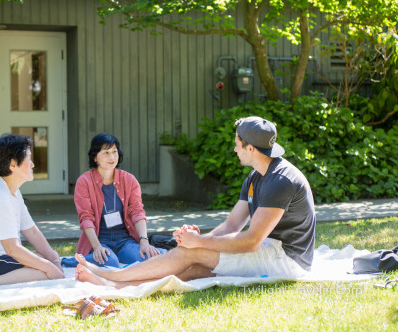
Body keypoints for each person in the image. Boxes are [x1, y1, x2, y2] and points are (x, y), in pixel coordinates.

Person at [75, 116, 316, 288]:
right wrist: (200, 240)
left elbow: (252, 241)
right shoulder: (255, 177)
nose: (234, 149)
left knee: (190, 253)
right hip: (269, 250)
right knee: (194, 270)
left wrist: (199, 242)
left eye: (237, 143)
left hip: (286, 260)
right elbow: (232, 226)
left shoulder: (281, 180)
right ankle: (112, 283)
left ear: (250, 148)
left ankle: (114, 277)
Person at [0, 134, 64, 291]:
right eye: (28, 159)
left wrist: (54, 259)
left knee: (44, 260)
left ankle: (39, 267)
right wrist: (49, 268)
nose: (33, 164)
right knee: (43, 269)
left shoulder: (12, 191)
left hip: (2, 259)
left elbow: (32, 232)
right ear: (13, 164)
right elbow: (11, 248)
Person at [64, 133, 166, 268]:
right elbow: (86, 218)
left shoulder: (129, 180)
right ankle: (69, 261)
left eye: (114, 151)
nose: (112, 157)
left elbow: (137, 212)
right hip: (100, 240)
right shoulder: (84, 181)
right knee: (110, 261)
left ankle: (100, 258)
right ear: (95, 157)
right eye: (106, 152)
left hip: (124, 241)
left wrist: (144, 242)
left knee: (160, 255)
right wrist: (97, 247)